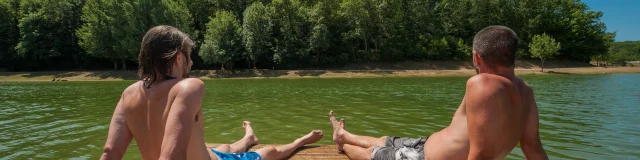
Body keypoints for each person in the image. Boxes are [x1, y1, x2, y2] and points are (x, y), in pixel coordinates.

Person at [100, 25, 323, 160]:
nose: (192, 61)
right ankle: (300, 141)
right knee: (270, 152)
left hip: (208, 155)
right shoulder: (188, 87)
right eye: (189, 56)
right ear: (179, 58)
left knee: (222, 148)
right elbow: (170, 156)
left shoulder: (128, 93)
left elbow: (110, 153)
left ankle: (248, 137)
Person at [329, 26, 549, 160]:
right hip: (426, 145)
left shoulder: (482, 83)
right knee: (386, 140)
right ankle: (344, 135)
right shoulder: (526, 91)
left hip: (422, 158)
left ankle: (343, 145)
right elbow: (533, 148)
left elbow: (482, 155)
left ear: (476, 57)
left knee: (370, 154)